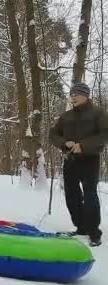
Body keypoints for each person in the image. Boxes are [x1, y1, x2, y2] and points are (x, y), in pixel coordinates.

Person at [49, 82, 107, 247]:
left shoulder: (98, 113)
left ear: (86, 95)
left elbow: (104, 134)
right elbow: (52, 134)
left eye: (76, 94)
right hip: (70, 160)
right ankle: (81, 227)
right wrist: (64, 143)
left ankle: (94, 232)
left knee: (90, 196)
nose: (73, 97)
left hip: (90, 159)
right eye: (71, 94)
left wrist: (83, 146)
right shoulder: (66, 116)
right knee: (72, 196)